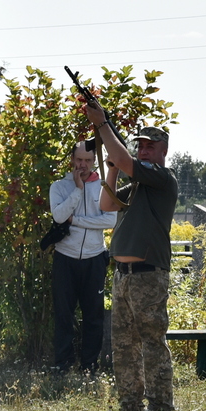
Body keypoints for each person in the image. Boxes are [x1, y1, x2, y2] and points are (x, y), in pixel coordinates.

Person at [81, 103, 179, 411]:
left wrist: (103, 123)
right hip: (123, 276)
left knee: (151, 343)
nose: (145, 150)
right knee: (123, 346)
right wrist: (111, 167)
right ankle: (130, 405)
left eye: (151, 146)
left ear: (163, 151)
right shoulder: (137, 184)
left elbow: (126, 160)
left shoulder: (162, 178)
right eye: (141, 145)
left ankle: (160, 407)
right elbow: (106, 203)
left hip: (148, 274)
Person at [48, 140, 116, 373]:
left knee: (93, 316)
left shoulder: (105, 186)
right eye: (79, 160)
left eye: (88, 160)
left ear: (94, 161)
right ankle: (62, 364)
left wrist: (76, 221)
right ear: (72, 160)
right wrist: (77, 190)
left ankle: (89, 365)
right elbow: (58, 216)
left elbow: (110, 221)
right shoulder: (59, 187)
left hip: (94, 258)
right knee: (64, 315)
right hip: (64, 258)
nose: (83, 165)